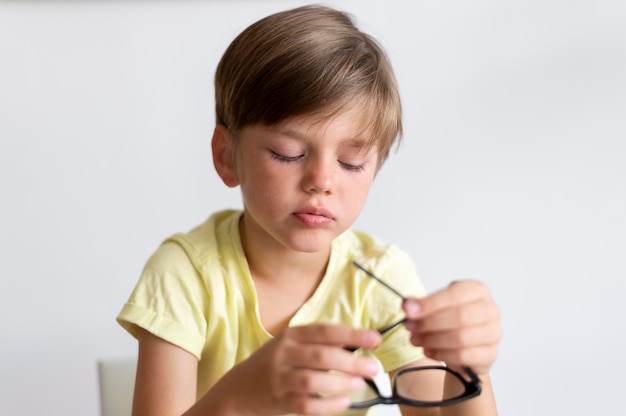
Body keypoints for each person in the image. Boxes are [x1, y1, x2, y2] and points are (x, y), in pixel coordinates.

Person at [117, 5, 501, 416]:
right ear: (226, 156)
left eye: (352, 162)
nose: (322, 181)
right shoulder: (185, 273)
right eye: (289, 154)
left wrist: (470, 366)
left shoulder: (380, 276)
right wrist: (239, 396)